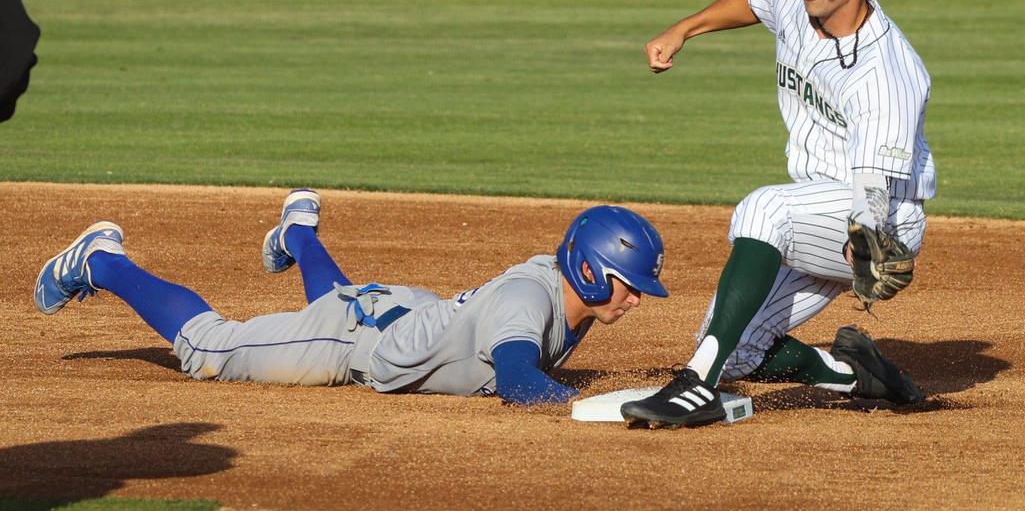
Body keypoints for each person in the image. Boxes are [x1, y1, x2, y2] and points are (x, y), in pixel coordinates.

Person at [621, 0, 935, 428]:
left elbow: (873, 187)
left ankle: (695, 386)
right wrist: (685, 29)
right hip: (816, 203)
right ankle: (856, 373)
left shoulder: (888, 76)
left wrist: (869, 249)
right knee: (737, 350)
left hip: (881, 213)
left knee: (764, 210)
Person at [34, 190, 669, 405]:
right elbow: (516, 381)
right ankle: (101, 260)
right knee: (209, 349)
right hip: (351, 340)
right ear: (589, 268)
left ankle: (299, 234)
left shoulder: (561, 289)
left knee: (340, 297)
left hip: (398, 312)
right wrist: (603, 406)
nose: (636, 299)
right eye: (630, 284)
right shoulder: (529, 301)